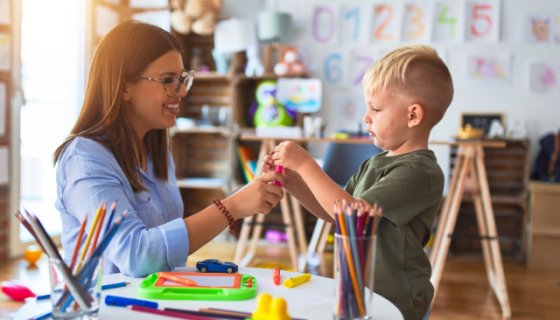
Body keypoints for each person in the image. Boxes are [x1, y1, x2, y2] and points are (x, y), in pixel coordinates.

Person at [53, 21, 286, 277]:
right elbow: (137, 256)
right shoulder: (84, 159)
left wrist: (243, 199)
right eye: (168, 80)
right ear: (124, 86)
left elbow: (163, 253)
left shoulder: (157, 151)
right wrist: (232, 207)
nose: (183, 91)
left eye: (183, 78)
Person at [265, 45, 453, 320]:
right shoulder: (375, 163)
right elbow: (335, 214)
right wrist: (295, 182)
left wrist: (307, 164)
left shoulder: (420, 172)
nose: (366, 117)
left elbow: (352, 214)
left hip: (396, 301)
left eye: (376, 109)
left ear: (413, 115)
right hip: (360, 293)